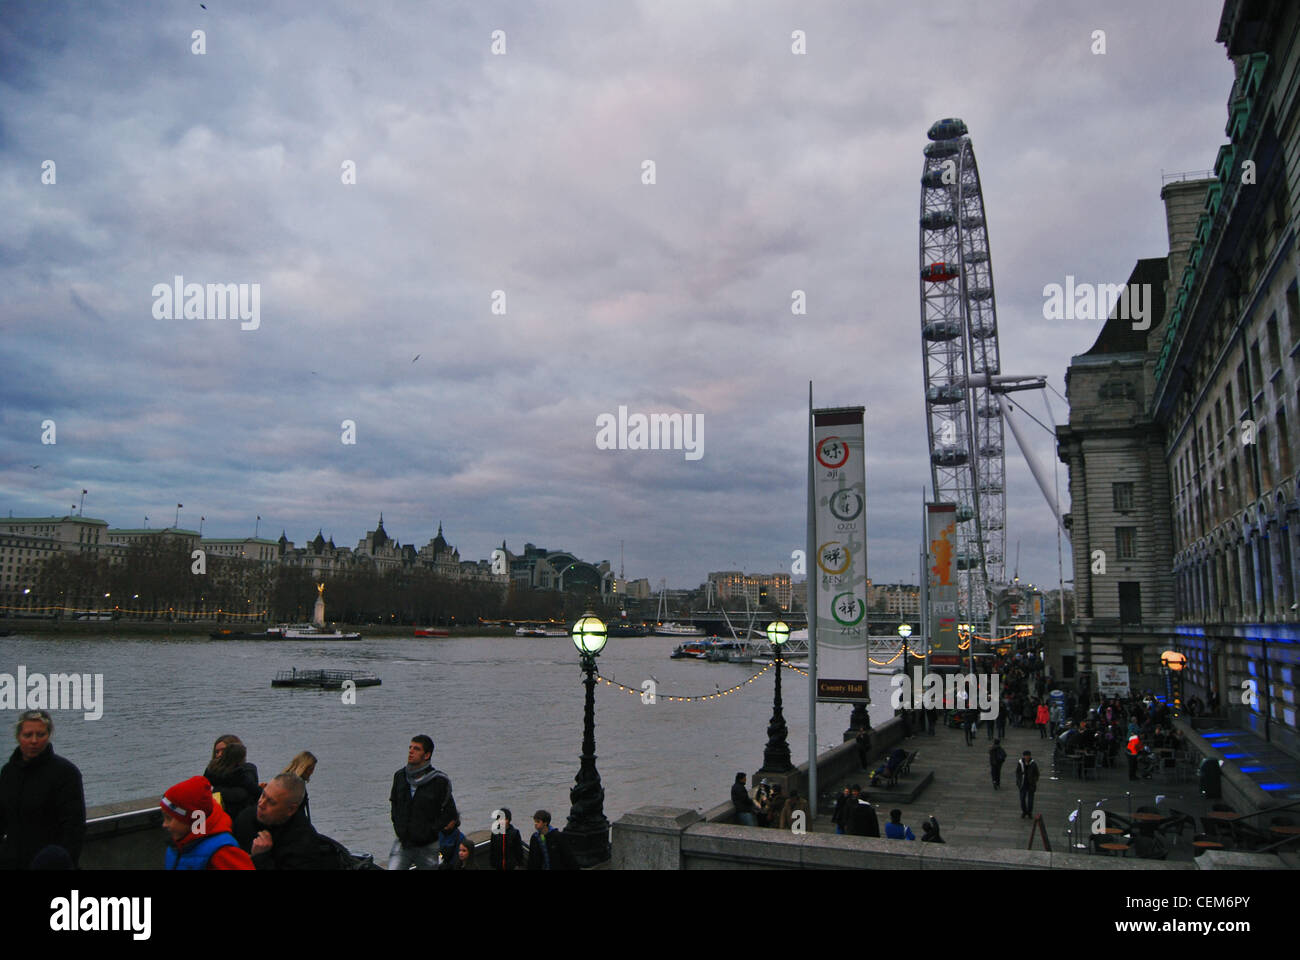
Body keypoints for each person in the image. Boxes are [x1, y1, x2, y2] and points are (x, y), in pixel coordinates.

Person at [0, 710, 86, 869]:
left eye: (40, 735)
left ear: (49, 735)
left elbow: (74, 829)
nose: (34, 741)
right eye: (28, 735)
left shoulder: (66, 773)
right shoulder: (8, 772)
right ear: (18, 737)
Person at [233, 772, 338, 869]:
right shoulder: (246, 818)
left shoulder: (303, 840)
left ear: (291, 809)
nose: (261, 804)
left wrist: (260, 857)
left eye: (271, 802)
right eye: (263, 795)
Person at [389, 735, 457, 870]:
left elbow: (450, 812)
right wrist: (398, 826)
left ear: (426, 755)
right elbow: (394, 804)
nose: (411, 751)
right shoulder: (400, 776)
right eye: (410, 748)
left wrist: (431, 830)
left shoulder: (439, 781)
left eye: (416, 749)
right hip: (403, 842)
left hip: (427, 845)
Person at [160, 776, 254, 870]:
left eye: (169, 818)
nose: (164, 824)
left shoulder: (222, 853)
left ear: (192, 820)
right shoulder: (178, 845)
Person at [203, 735, 260, 824]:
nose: (219, 754)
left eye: (224, 751)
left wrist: (218, 790)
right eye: (217, 752)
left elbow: (242, 794)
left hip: (244, 819)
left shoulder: (247, 769)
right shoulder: (211, 773)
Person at [281, 750, 317, 822]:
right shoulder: (294, 783)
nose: (312, 772)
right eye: (310, 769)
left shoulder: (286, 779)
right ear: (303, 767)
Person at [1015, 751, 1040, 818]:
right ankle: (1024, 811)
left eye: (1027, 756)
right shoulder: (1020, 763)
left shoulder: (1033, 763)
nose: (1026, 757)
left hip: (1031, 784)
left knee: (1030, 800)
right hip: (1023, 783)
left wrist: (1034, 780)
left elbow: (1037, 773)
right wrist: (1018, 780)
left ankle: (1029, 812)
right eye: (1025, 756)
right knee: (1022, 798)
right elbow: (1017, 772)